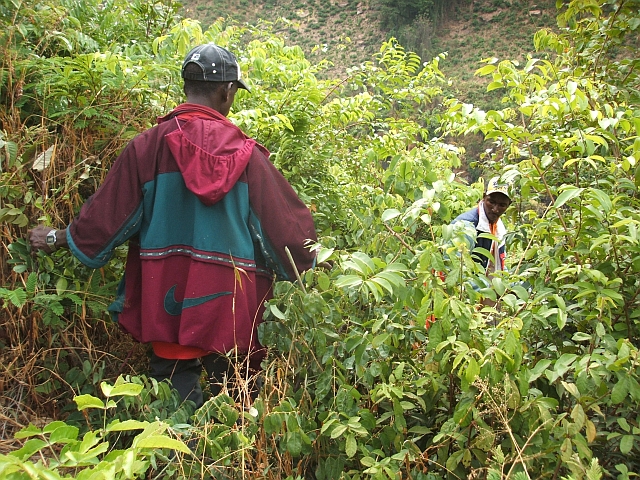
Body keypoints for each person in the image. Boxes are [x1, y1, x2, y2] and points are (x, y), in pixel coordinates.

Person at [28, 43, 317, 408]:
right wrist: (315, 273)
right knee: (234, 408)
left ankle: (172, 454)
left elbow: (105, 219)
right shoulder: (249, 159)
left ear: (186, 86)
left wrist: (56, 237)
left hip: (168, 303)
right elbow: (288, 231)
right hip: (231, 309)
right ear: (228, 91)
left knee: (173, 408)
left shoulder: (146, 148)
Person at [451, 176, 512, 274]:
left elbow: (498, 264)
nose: (495, 209)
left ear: (508, 205)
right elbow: (453, 268)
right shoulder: (466, 226)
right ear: (484, 197)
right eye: (491, 202)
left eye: (502, 205)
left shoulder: (499, 229)